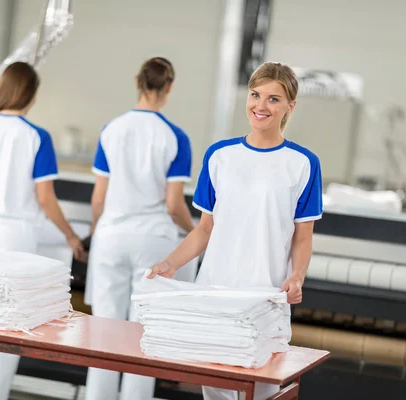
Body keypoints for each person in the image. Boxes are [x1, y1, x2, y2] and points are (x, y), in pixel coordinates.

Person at [147, 61, 323, 400]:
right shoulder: (219, 156)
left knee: (267, 392)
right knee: (216, 393)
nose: (260, 106)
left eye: (273, 99)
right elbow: (204, 230)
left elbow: (303, 236)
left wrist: (297, 276)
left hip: (267, 299)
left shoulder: (303, 163)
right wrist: (170, 263)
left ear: (290, 106)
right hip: (215, 294)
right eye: (255, 95)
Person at [0, 61, 87, 400]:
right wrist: (71, 236)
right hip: (14, 238)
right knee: (6, 325)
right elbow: (45, 198)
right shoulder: (35, 137)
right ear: (31, 94)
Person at [84, 57, 195, 400]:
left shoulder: (112, 130)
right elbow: (175, 205)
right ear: (169, 87)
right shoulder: (176, 137)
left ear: (138, 82)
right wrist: (196, 232)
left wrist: (92, 233)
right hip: (154, 241)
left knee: (103, 332)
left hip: (111, 238)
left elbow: (98, 198)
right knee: (144, 337)